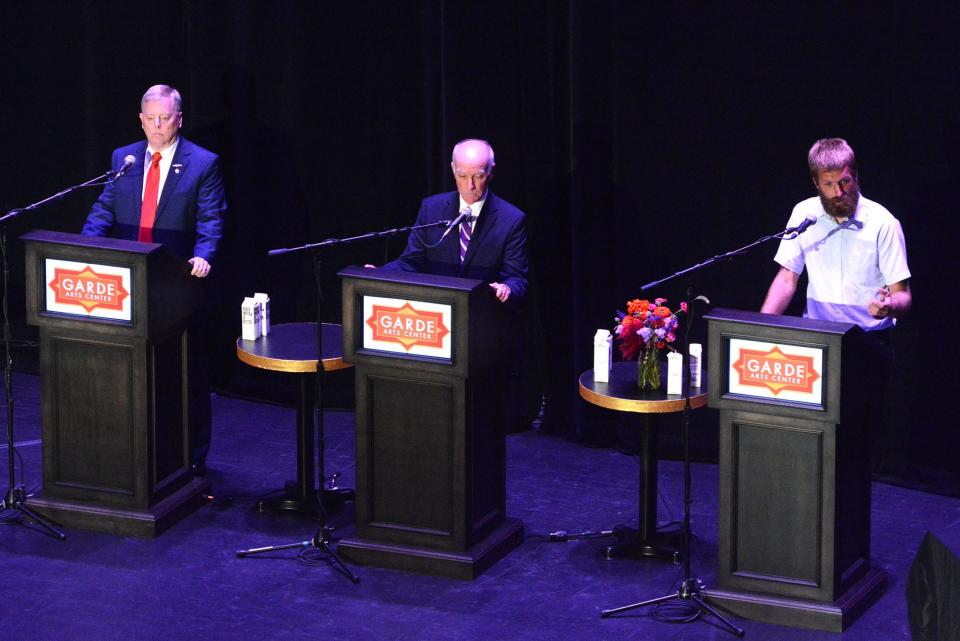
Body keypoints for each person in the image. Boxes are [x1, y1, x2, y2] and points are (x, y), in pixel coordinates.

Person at [83, 84, 227, 476]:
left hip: (175, 280)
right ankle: (130, 450)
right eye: (151, 119)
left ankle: (193, 457)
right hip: (127, 279)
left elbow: (211, 221)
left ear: (179, 119)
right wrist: (83, 252)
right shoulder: (123, 158)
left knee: (185, 372)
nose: (158, 126)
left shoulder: (203, 163)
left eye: (165, 118)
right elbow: (103, 208)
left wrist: (205, 256)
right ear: (141, 119)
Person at [761, 137, 911, 333]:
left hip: (869, 340)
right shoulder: (804, 215)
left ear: (855, 175)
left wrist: (890, 306)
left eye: (844, 181)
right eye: (828, 184)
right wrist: (760, 328)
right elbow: (787, 278)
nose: (838, 192)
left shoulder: (884, 223)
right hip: (818, 336)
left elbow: (903, 296)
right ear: (816, 183)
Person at [380, 138, 528, 303]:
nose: (469, 185)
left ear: (491, 171)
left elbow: (517, 278)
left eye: (478, 176)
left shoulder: (511, 219)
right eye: (462, 175)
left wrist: (505, 289)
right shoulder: (431, 208)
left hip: (482, 313)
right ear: (452, 169)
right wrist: (378, 274)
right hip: (435, 309)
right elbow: (411, 262)